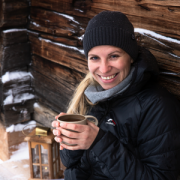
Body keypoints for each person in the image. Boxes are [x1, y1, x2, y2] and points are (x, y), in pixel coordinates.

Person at [52, 11, 180, 180]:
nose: (104, 69)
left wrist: (98, 142)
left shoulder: (157, 106)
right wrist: (70, 139)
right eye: (95, 58)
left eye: (113, 56)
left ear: (131, 57)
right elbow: (70, 163)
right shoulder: (89, 95)